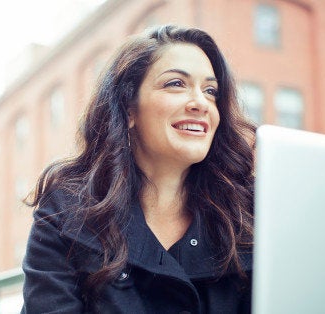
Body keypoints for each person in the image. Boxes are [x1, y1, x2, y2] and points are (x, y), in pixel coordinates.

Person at [21, 25, 256, 314]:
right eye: (176, 84)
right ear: (129, 110)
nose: (201, 103)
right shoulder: (66, 209)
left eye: (211, 91)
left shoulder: (251, 209)